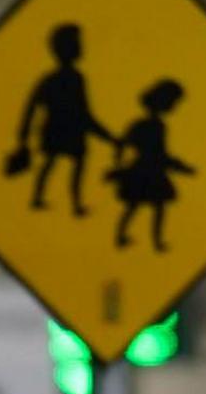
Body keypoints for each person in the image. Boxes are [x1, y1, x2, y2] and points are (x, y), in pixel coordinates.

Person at [10, 23, 100, 216]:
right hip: (58, 130)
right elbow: (32, 106)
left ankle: (71, 203)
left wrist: (106, 135)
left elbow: (84, 112)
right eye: (77, 43)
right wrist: (23, 136)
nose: (80, 47)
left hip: (69, 131)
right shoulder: (56, 79)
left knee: (70, 163)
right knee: (55, 162)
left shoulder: (75, 77)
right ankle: (41, 199)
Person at [107, 77, 194, 252]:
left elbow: (123, 144)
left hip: (146, 169)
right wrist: (179, 166)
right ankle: (143, 240)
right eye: (172, 102)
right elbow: (158, 152)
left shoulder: (148, 124)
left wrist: (118, 158)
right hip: (148, 170)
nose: (174, 106)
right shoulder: (154, 126)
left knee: (146, 207)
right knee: (145, 207)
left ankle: (145, 241)